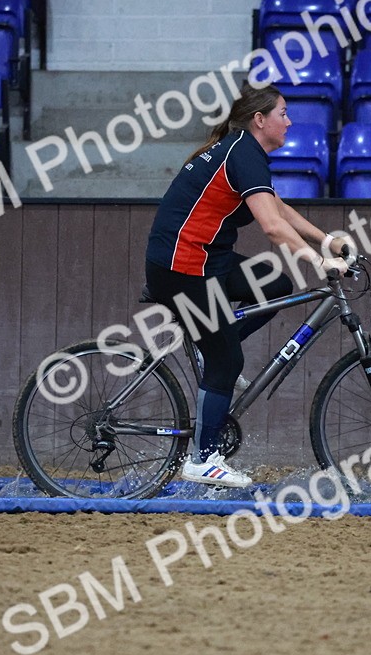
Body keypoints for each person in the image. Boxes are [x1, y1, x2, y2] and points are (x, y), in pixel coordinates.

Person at [144, 83, 350, 487]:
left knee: (274, 284)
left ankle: (212, 352)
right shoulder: (242, 151)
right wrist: (319, 261)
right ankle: (202, 460)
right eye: (283, 114)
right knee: (228, 361)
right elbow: (273, 228)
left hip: (206, 261)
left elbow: (278, 208)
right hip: (183, 268)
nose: (289, 122)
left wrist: (327, 240)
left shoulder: (243, 150)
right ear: (260, 120)